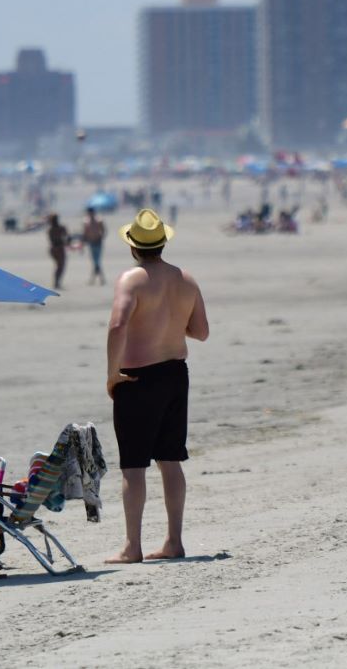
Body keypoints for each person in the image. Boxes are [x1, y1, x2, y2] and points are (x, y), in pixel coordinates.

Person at [105, 209, 209, 564]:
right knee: (170, 459)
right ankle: (174, 541)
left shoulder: (131, 280)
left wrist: (111, 373)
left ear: (133, 247)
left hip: (138, 377)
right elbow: (201, 332)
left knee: (133, 466)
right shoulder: (186, 280)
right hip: (175, 373)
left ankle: (133, 546)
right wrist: (168, 323)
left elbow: (118, 325)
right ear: (163, 242)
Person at [82, 208, 107, 286]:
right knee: (95, 261)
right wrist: (84, 241)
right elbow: (85, 232)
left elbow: (103, 230)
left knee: (97, 261)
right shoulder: (86, 221)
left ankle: (95, 279)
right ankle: (100, 279)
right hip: (91, 242)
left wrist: (101, 237)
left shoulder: (99, 220)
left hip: (98, 242)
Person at [47, 213, 69, 291]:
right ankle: (57, 282)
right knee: (60, 266)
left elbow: (52, 240)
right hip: (59, 249)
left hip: (54, 249)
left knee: (58, 266)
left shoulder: (51, 229)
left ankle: (56, 282)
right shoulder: (60, 228)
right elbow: (66, 237)